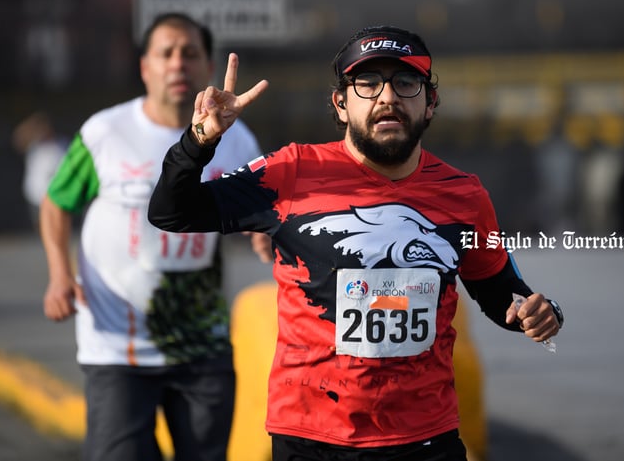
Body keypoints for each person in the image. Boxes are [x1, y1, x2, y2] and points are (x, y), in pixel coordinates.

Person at [148, 25, 564, 461]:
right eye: (367, 83)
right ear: (341, 104)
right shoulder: (290, 172)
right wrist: (200, 140)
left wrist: (540, 313)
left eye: (406, 82)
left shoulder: (466, 196)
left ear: (430, 103)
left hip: (426, 437)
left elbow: (504, 293)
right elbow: (170, 212)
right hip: (311, 437)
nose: (387, 97)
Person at [39, 12, 270, 461]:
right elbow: (55, 204)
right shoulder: (106, 133)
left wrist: (261, 234)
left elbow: (261, 211)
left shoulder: (238, 139)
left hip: (202, 345)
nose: (177, 63)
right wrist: (58, 275)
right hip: (117, 349)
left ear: (207, 67)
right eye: (166, 53)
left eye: (190, 53)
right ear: (145, 67)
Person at [12, 111, 68, 229]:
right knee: (42, 228)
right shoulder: (34, 145)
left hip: (56, 195)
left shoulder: (61, 144)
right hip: (36, 196)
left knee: (56, 227)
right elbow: (17, 139)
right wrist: (32, 125)